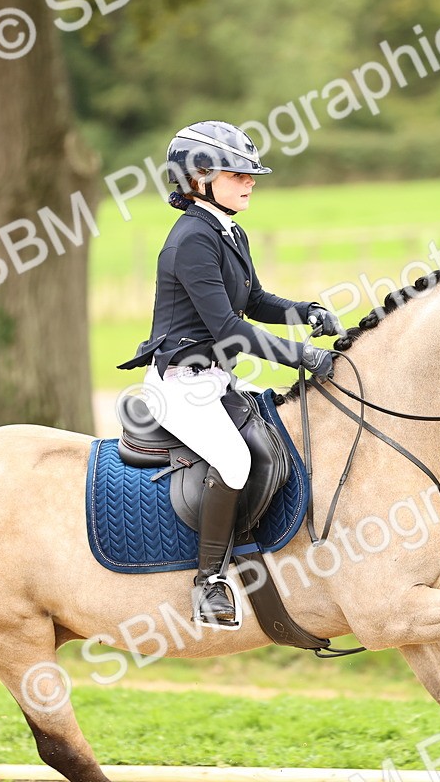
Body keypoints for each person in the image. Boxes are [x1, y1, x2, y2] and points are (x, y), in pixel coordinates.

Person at [118, 120, 344, 625]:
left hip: (216, 380)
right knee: (234, 460)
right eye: (237, 173)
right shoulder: (192, 240)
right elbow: (227, 328)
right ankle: (210, 582)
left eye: (250, 174)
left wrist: (305, 312)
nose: (250, 181)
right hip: (182, 384)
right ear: (198, 177)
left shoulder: (226, 229)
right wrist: (300, 356)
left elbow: (256, 301)